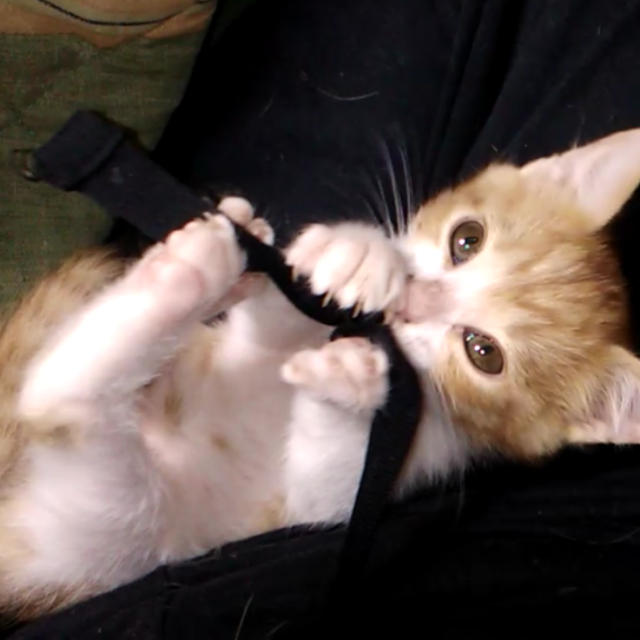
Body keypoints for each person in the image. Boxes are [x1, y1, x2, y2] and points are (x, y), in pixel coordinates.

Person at [8, 0, 640, 637]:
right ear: (535, 176)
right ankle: (143, 327)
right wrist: (325, 268)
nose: (421, 300)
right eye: (466, 241)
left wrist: (339, 410)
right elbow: (271, 346)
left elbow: (318, 506)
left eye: (484, 351)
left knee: (127, 542)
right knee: (252, 338)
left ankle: (90, 388)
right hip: (177, 397)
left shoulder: (444, 441)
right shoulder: (405, 272)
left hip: (126, 528)